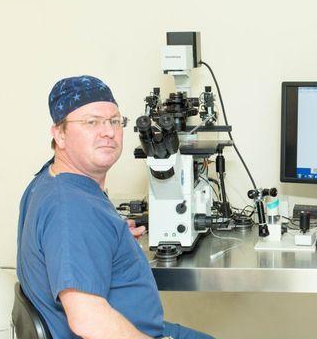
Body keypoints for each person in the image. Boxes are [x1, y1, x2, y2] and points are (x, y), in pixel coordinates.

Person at [16, 76, 213, 339]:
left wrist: (111, 237)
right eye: (91, 122)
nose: (108, 131)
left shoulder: (49, 182)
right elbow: (88, 319)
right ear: (59, 134)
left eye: (115, 121)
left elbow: (68, 241)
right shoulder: (72, 208)